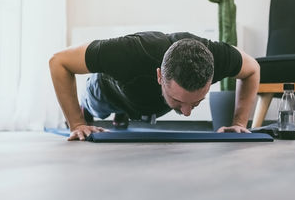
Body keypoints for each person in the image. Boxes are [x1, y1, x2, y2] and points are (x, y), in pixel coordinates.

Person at [49, 31, 260, 141]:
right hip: (108, 92)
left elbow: (252, 68)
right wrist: (76, 123)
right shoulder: (127, 53)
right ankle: (104, 112)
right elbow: (59, 61)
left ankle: (127, 114)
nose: (186, 114)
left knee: (144, 106)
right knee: (94, 106)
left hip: (144, 98)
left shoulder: (215, 57)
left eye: (195, 103)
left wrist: (240, 123)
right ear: (159, 76)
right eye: (178, 101)